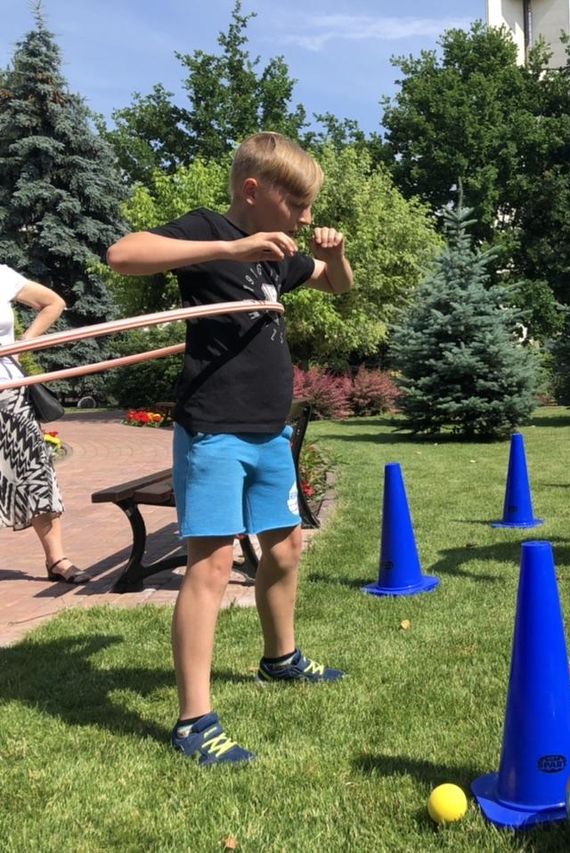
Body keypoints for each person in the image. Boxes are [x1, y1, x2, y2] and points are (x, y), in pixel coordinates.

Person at [106, 132, 354, 765]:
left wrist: (338, 253)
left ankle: (281, 658)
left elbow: (336, 286)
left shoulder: (277, 257)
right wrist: (230, 246)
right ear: (254, 190)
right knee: (211, 566)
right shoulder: (210, 232)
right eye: (297, 205)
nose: (304, 219)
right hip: (214, 427)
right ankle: (194, 720)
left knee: (286, 545)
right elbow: (123, 254)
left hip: (269, 430)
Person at [0, 266, 90, 583]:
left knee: (36, 470)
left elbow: (54, 302)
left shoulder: (1, 275)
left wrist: (24, 342)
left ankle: (57, 560)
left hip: (8, 393)